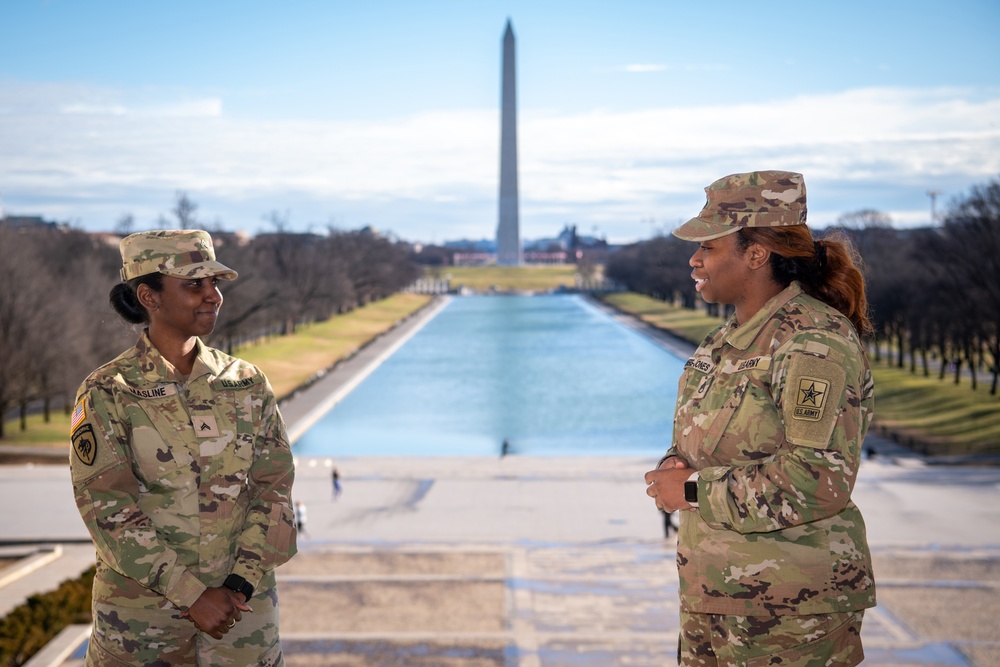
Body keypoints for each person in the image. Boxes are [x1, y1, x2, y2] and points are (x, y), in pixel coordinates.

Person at [643, 171, 876, 667]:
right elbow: (699, 444)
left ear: (756, 254)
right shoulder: (725, 341)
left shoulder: (812, 342)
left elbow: (818, 479)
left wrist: (689, 490)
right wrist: (672, 465)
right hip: (718, 599)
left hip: (791, 615)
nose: (694, 259)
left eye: (709, 245)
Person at [69, 229, 298, 666]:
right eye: (194, 284)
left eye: (215, 283)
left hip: (242, 617)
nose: (213, 296)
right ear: (149, 297)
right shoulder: (107, 391)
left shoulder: (246, 383)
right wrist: (190, 594)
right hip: (142, 622)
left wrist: (240, 584)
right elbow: (106, 505)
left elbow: (276, 486)